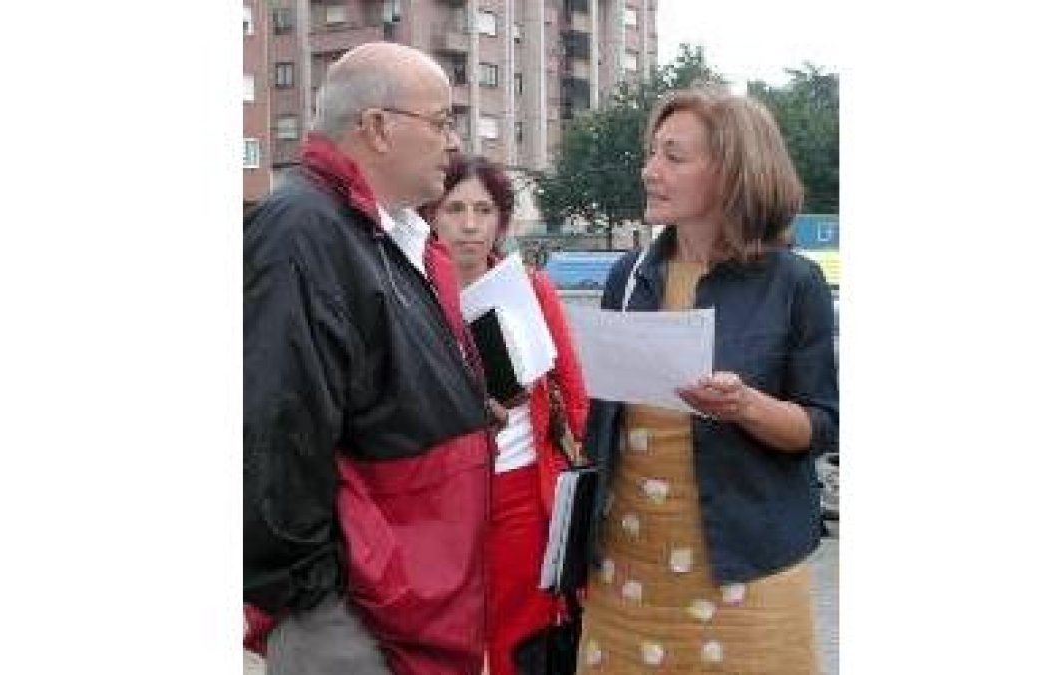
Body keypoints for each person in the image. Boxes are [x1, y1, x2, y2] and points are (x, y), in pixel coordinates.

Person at [243, 43, 497, 675]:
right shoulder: (303, 230)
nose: (452, 143)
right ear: (378, 128)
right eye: (440, 122)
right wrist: (312, 602)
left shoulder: (383, 232)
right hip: (355, 615)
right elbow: (277, 425)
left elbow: (373, 382)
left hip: (408, 596)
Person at [575, 89, 839, 672]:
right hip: (627, 569)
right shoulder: (630, 275)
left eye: (673, 157)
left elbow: (822, 427)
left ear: (733, 173)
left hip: (746, 574)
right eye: (652, 154)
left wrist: (745, 406)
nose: (650, 171)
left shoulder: (795, 282)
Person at [421, 155, 590, 675]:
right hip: (440, 496)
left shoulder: (532, 288)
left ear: (501, 220)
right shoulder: (411, 289)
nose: (470, 224)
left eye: (484, 209)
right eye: (454, 209)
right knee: (446, 634)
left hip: (518, 488)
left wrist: (589, 476)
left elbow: (573, 391)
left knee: (522, 636)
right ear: (431, 214)